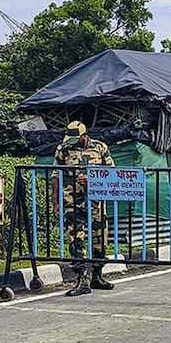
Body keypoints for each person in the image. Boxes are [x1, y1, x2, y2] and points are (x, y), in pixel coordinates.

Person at [52, 121, 116, 296]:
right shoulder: (63, 150)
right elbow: (56, 174)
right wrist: (55, 201)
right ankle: (82, 279)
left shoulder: (100, 148)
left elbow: (112, 173)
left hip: (96, 201)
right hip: (72, 201)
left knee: (100, 238)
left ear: (84, 136)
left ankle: (97, 275)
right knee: (75, 239)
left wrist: (92, 179)